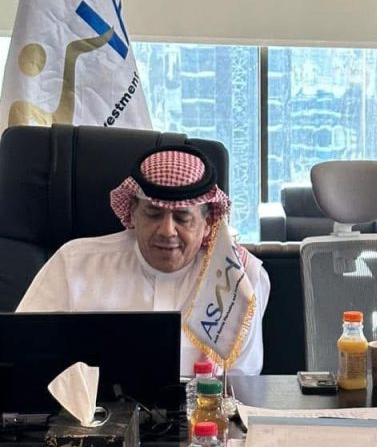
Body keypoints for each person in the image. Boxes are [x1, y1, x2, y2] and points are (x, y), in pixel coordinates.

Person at [16, 145, 270, 377]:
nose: (167, 231)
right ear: (133, 214)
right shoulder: (73, 264)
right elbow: (23, 354)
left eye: (182, 217)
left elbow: (241, 383)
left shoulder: (239, 279)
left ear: (207, 223)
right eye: (153, 214)